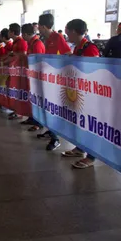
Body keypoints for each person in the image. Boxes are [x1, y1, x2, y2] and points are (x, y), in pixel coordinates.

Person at [60, 19, 101, 168]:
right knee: (80, 123)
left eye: (67, 32)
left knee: (89, 124)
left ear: (73, 31)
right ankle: (80, 148)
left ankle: (91, 157)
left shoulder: (90, 48)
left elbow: (92, 72)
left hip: (88, 94)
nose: (66, 36)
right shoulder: (77, 48)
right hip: (78, 92)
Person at [36, 14, 72, 149]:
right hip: (48, 78)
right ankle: (51, 131)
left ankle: (55, 138)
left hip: (56, 79)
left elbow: (67, 54)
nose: (38, 29)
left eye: (39, 26)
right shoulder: (46, 39)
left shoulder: (57, 38)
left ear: (43, 26)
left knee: (52, 108)